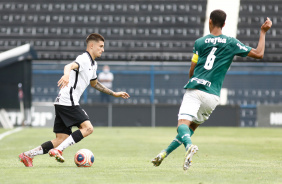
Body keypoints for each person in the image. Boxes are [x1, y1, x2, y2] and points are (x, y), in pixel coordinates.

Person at [151, 10, 272, 171]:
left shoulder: (199, 42)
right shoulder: (231, 42)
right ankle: (164, 154)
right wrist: (263, 32)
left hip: (196, 88)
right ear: (224, 24)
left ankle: (189, 147)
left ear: (209, 21)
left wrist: (193, 81)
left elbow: (192, 68)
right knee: (190, 128)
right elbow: (259, 53)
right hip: (213, 96)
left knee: (182, 124)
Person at [19, 33, 130, 167]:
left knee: (61, 139)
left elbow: (95, 84)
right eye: (100, 46)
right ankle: (58, 150)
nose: (103, 49)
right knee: (88, 128)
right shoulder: (83, 58)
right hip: (68, 101)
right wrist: (66, 75)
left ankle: (27, 155)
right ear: (91, 46)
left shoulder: (93, 64)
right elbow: (69, 66)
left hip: (61, 102)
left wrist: (114, 94)